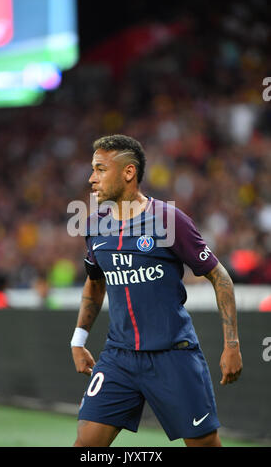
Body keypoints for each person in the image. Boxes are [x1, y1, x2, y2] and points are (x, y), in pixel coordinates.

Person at [71, 134, 243, 447]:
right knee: (86, 445)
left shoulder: (168, 220)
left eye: (99, 169)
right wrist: (79, 339)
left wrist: (231, 343)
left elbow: (220, 278)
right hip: (118, 357)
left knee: (205, 444)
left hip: (172, 356)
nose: (91, 178)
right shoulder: (94, 225)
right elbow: (95, 281)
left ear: (128, 172)